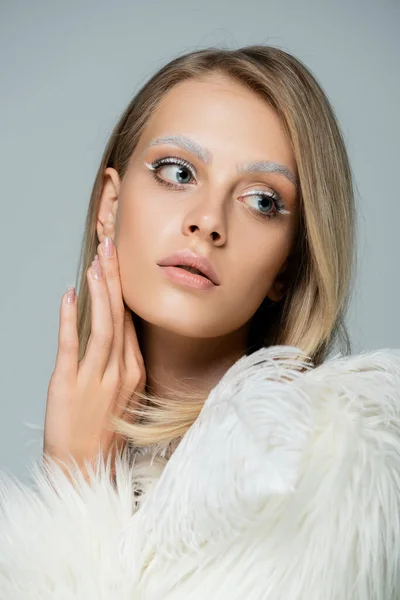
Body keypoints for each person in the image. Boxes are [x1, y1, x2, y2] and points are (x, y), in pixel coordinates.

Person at [0, 45, 399, 599]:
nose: (208, 222)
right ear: (108, 206)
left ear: (290, 264)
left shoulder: (324, 469)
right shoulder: (90, 456)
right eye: (178, 171)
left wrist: (70, 485)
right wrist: (74, 493)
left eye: (262, 201)